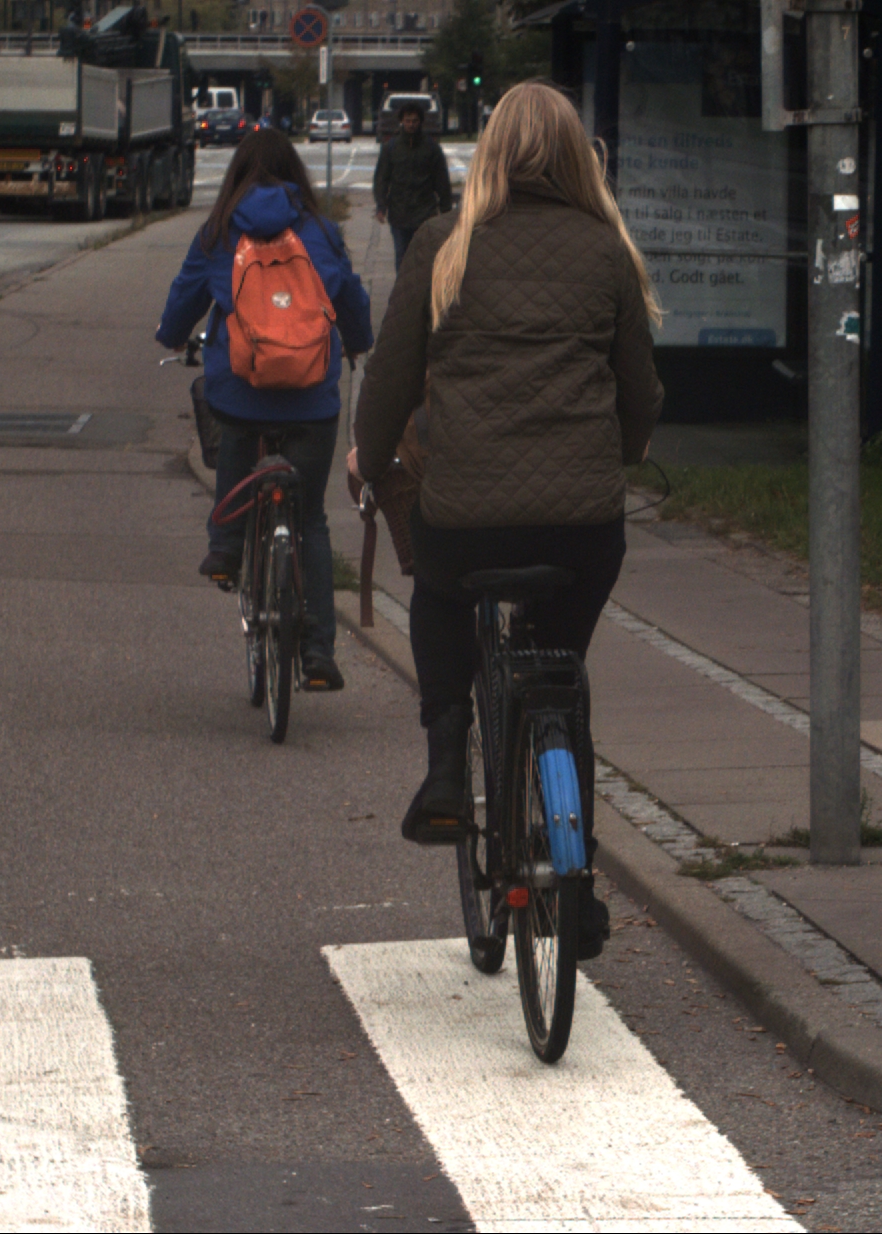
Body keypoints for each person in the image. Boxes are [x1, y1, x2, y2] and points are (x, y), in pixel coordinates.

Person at [349, 80, 664, 957]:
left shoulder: (443, 244)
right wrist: (621, 451)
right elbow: (640, 393)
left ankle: (448, 765)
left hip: (467, 520)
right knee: (563, 672)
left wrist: (368, 460)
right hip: (582, 526)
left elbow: (391, 382)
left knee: (441, 594)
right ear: (575, 155)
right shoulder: (607, 249)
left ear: (488, 152)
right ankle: (579, 886)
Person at [157, 129, 373, 692]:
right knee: (312, 520)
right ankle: (319, 652)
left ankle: (226, 546)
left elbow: (184, 297)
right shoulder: (320, 230)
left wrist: (172, 334)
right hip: (311, 397)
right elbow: (350, 297)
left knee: (235, 430)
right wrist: (358, 341)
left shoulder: (218, 233)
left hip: (242, 391)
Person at [373, 101, 453, 271]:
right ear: (402, 121)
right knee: (401, 256)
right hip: (399, 212)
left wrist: (446, 209)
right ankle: (403, 287)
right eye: (408, 121)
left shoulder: (431, 148)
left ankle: (421, 287)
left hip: (425, 212)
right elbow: (382, 179)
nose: (411, 124)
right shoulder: (391, 148)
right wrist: (381, 206)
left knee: (423, 256)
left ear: (420, 122)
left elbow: (441, 181)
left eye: (415, 121)